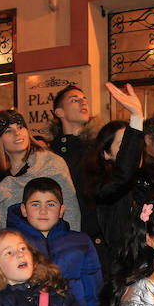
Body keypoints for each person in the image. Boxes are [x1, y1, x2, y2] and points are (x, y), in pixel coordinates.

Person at [6, 177, 106, 306]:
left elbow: (94, 296)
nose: (43, 210)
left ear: (61, 211)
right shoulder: (13, 245)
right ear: (23, 210)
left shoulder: (80, 242)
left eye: (51, 204)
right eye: (35, 204)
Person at [82, 82, 145, 274]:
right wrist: (136, 117)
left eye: (132, 144)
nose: (132, 150)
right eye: (123, 145)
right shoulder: (104, 185)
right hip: (121, 270)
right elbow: (122, 177)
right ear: (106, 153)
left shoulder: (148, 179)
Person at [0, 110, 80, 230]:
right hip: (8, 239)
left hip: (50, 239)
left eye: (20, 127)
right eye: (8, 131)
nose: (17, 133)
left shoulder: (51, 164)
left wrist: (72, 239)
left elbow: (70, 210)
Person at [51, 85, 92, 217]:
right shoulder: (50, 152)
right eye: (74, 100)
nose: (83, 102)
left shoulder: (97, 147)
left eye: (84, 99)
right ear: (59, 112)